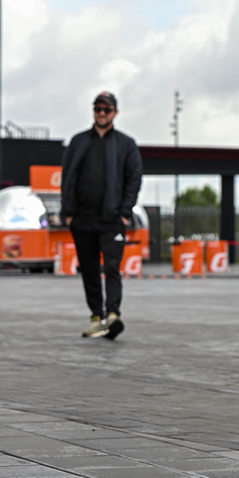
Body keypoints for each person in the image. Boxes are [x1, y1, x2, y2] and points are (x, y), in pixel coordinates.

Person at [62, 91, 143, 340]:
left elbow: (134, 179)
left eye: (106, 110)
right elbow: (67, 178)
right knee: (88, 270)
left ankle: (113, 315)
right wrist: (68, 214)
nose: (102, 113)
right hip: (82, 221)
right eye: (98, 109)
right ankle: (96, 317)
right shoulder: (78, 141)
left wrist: (124, 213)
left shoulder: (126, 144)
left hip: (112, 221)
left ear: (115, 113)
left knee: (111, 268)